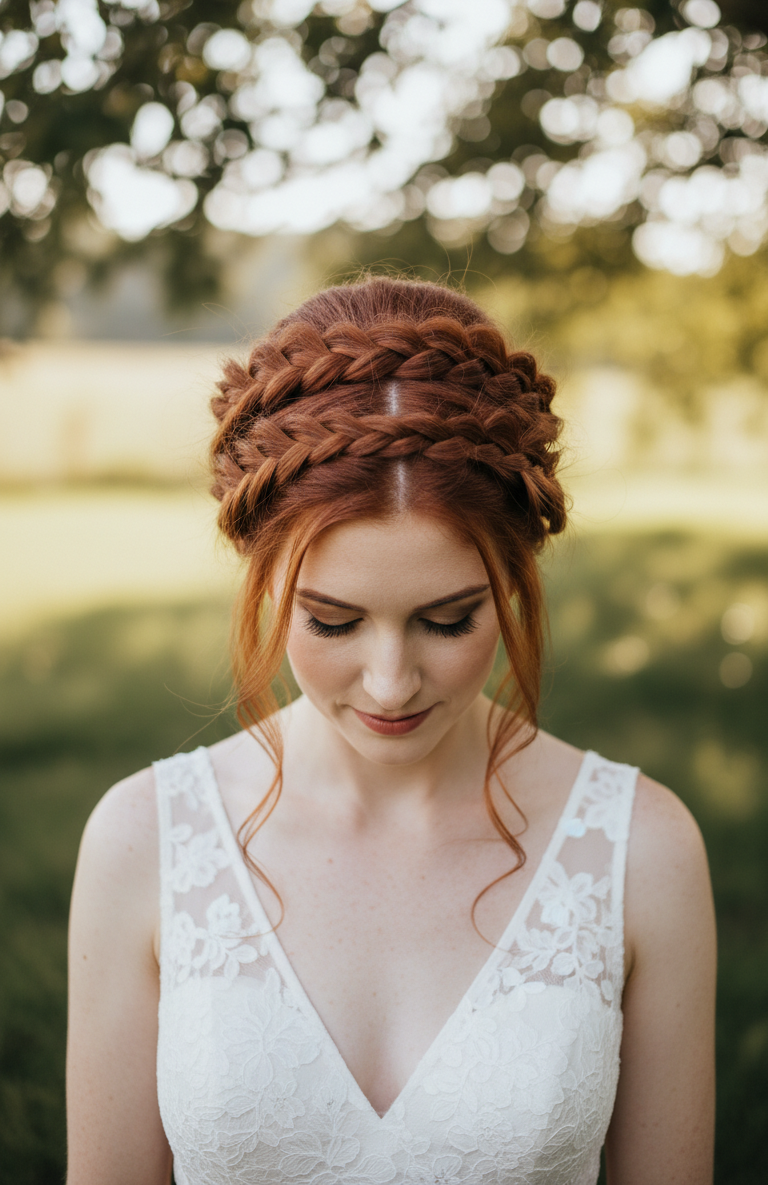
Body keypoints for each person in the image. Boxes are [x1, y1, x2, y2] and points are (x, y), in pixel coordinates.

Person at [66, 277, 716, 1185]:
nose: (390, 682)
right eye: (331, 623)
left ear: (519, 575)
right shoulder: (144, 840)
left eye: (448, 622)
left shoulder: (645, 849)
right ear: (261, 581)